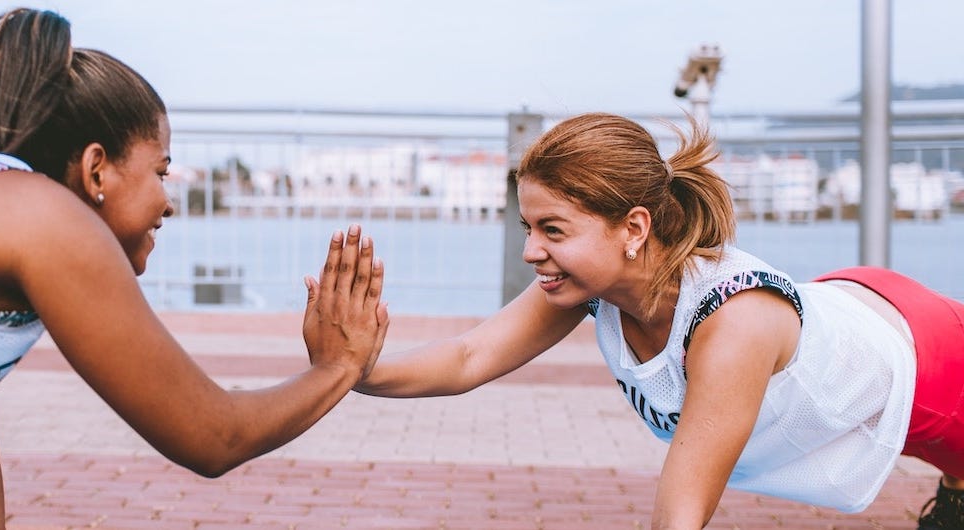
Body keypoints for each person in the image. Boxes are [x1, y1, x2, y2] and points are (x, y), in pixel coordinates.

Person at [0, 8, 389, 527]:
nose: (169, 201)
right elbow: (212, 437)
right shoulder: (41, 220)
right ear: (96, 171)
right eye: (161, 170)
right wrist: (339, 365)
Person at [354, 112, 964, 529]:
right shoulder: (588, 284)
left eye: (553, 230)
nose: (530, 251)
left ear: (635, 228)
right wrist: (353, 369)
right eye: (528, 227)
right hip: (847, 305)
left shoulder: (734, 326)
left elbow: (682, 512)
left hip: (926, 363)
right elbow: (469, 357)